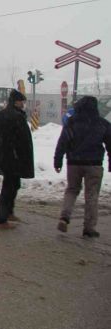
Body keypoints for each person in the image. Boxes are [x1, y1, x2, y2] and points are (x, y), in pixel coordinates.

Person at [54, 96, 111, 238]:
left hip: (74, 163)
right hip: (94, 164)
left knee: (72, 190)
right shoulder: (102, 124)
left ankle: (65, 217)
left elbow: (62, 142)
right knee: (92, 195)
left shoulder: (72, 123)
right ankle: (89, 228)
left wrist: (58, 160)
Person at [0, 89, 34, 229]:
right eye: (21, 102)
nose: (23, 105)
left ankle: (9, 212)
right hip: (14, 158)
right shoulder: (16, 117)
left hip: (3, 156)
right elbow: (23, 141)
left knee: (14, 184)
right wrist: (16, 153)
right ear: (15, 102)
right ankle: (1, 219)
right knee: (9, 186)